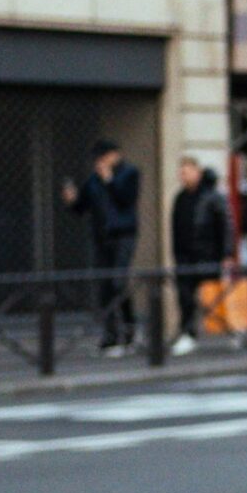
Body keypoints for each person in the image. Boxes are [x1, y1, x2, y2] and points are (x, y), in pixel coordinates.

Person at [61, 137, 140, 353]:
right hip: (101, 237)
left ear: (115, 155)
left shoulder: (129, 174)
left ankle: (129, 330)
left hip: (123, 235)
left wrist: (110, 180)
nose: (99, 162)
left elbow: (126, 200)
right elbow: (81, 208)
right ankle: (111, 334)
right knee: (104, 286)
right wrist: (71, 200)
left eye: (103, 157)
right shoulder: (93, 181)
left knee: (118, 282)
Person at [169, 157, 233, 356]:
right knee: (185, 297)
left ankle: (233, 330)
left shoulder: (212, 196)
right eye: (181, 172)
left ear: (197, 172)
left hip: (208, 255)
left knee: (216, 295)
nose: (183, 176)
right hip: (185, 256)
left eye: (186, 171)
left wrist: (227, 253)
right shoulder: (180, 197)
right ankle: (188, 334)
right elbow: (176, 228)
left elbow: (226, 224)